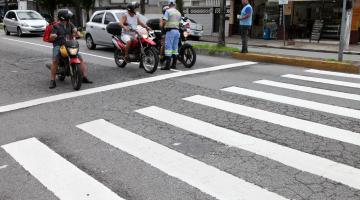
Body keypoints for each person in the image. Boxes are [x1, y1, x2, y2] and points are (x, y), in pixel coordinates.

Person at [49, 9, 92, 89]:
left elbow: (75, 31)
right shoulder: (56, 26)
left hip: (69, 44)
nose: (69, 18)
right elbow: (52, 36)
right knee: (55, 60)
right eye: (68, 17)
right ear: (63, 18)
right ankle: (52, 80)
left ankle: (84, 77)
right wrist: (53, 36)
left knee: (80, 58)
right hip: (59, 45)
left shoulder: (70, 24)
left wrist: (78, 33)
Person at [160, 0, 181, 70]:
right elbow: (180, 23)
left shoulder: (168, 11)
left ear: (169, 4)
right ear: (174, 4)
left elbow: (164, 21)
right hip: (177, 31)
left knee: (168, 47)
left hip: (170, 31)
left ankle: (167, 66)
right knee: (175, 48)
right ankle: (174, 64)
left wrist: (162, 24)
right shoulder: (178, 12)